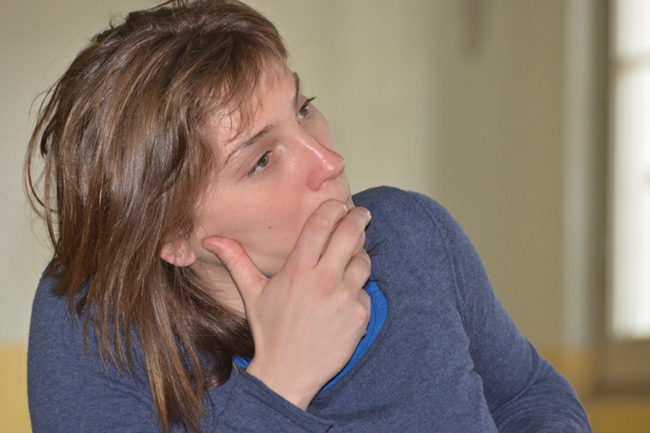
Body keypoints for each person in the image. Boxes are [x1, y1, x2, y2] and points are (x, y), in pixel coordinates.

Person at [25, 1, 591, 432]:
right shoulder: (93, 323)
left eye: (303, 109)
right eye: (261, 160)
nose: (330, 161)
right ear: (171, 236)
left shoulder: (415, 234)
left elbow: (528, 396)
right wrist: (282, 381)